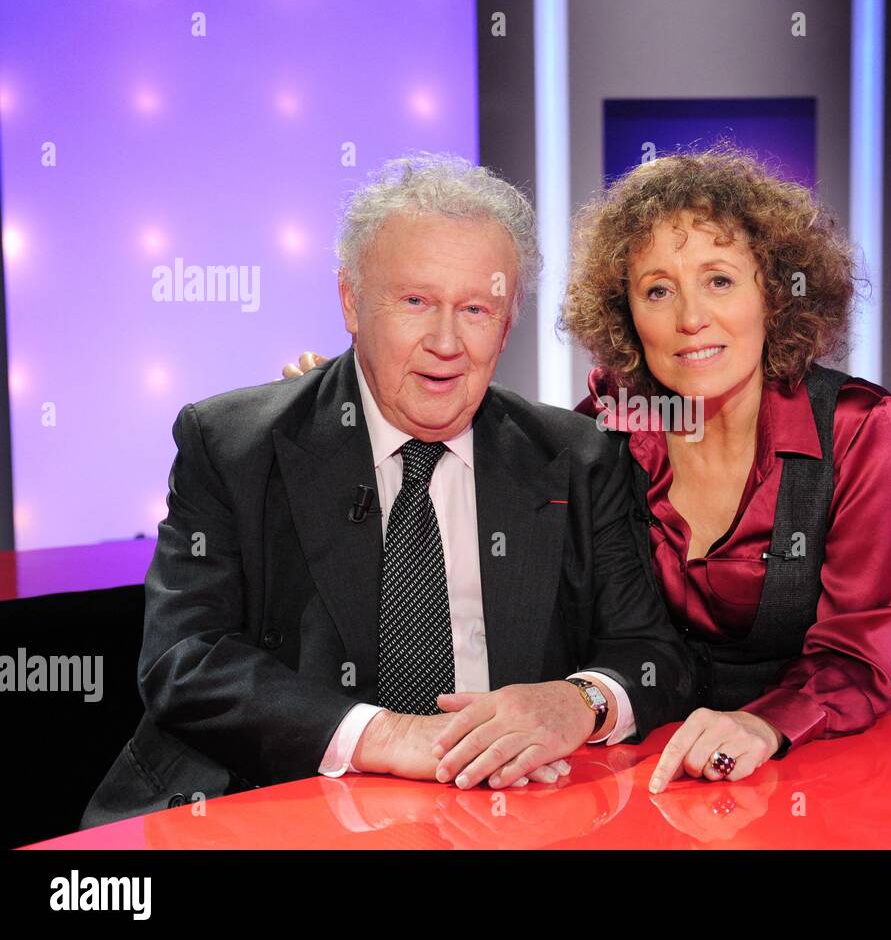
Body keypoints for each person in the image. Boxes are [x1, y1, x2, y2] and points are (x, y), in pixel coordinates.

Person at [81, 153, 694, 828]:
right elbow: (183, 661)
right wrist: (387, 734)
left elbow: (653, 655)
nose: (445, 341)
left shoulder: (577, 457)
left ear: (508, 321)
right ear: (350, 299)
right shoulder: (233, 444)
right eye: (415, 301)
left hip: (503, 822)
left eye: (476, 309)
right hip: (267, 813)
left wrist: (580, 701)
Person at [284, 146, 891, 793]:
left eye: (720, 280)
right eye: (658, 290)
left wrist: (761, 726)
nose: (691, 317)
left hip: (803, 757)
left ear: (776, 293)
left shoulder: (857, 427)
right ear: (626, 313)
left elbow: (854, 660)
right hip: (631, 766)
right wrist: (346, 410)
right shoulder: (607, 429)